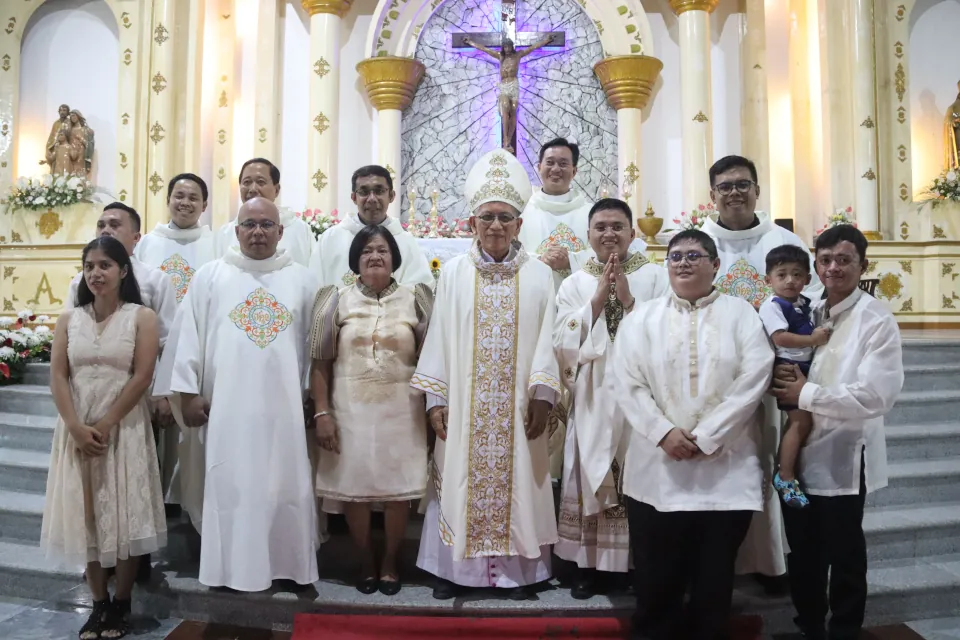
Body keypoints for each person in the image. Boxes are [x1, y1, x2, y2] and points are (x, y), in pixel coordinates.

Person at [411, 149, 562, 601]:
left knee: (521, 482)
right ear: (472, 223)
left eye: (506, 217)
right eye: (487, 217)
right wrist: (435, 400)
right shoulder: (455, 272)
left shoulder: (538, 275)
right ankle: (454, 572)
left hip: (519, 408)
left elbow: (549, 337)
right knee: (456, 478)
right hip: (465, 407)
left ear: (519, 225)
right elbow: (438, 335)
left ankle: (520, 575)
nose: (496, 225)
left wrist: (542, 396)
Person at [612, 229, 774, 640]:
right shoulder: (642, 318)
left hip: (724, 470)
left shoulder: (741, 314)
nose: (683, 262)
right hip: (657, 473)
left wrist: (708, 436)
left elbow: (754, 377)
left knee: (713, 584)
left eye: (694, 255)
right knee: (656, 583)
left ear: (715, 265)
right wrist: (662, 431)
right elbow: (626, 382)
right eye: (675, 256)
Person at [155, 197, 319, 591]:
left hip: (286, 413)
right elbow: (187, 338)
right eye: (250, 224)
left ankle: (288, 565)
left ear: (281, 232)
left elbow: (317, 345)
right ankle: (228, 568)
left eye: (267, 225)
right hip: (226, 410)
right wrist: (188, 394)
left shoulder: (304, 279)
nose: (258, 232)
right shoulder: (210, 276)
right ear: (236, 230)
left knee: (287, 484)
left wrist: (314, 393)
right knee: (232, 484)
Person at [772, 225, 903, 640]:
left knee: (844, 552)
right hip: (799, 450)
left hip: (846, 455)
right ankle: (808, 625)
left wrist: (804, 393)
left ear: (863, 264)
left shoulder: (875, 319)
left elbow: (875, 395)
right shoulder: (806, 308)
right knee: (803, 550)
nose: (833, 268)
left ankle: (845, 629)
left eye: (844, 260)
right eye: (825, 260)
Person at [700, 154, 819, 588]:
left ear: (757, 190)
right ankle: (716, 566)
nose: (734, 192)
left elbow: (812, 307)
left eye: (742, 184)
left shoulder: (784, 240)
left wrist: (797, 369)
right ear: (712, 194)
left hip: (773, 380)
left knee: (766, 460)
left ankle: (770, 561)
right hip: (714, 379)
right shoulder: (695, 241)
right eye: (725, 186)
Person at [41, 236, 166, 640]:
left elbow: (143, 376)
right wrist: (76, 426)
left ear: (123, 271)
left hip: (124, 428)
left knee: (125, 519)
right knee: (89, 519)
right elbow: (58, 375)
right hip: (77, 430)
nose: (96, 273)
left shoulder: (141, 317)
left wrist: (109, 422)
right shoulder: (68, 319)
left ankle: (122, 602)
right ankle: (98, 605)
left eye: (105, 265)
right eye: (90, 265)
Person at [310, 226, 434, 597]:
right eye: (366, 251)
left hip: (404, 411)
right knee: (354, 489)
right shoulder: (334, 299)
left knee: (399, 492)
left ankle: (390, 561)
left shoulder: (418, 298)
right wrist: (321, 413)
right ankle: (365, 560)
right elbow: (320, 362)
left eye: (382, 250)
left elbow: (434, 359)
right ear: (355, 261)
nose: (375, 256)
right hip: (349, 410)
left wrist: (434, 411)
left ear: (395, 258)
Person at [553, 198, 667, 599]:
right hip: (593, 392)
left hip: (641, 392)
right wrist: (598, 299)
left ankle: (633, 565)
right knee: (588, 471)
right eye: (600, 227)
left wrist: (630, 300)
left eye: (617, 226)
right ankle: (586, 565)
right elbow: (561, 339)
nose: (609, 234)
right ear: (588, 235)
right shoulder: (574, 282)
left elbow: (665, 329)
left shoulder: (656, 276)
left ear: (633, 233)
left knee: (636, 475)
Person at [135, 173, 215, 531]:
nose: (185, 203)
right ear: (168, 200)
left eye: (193, 197)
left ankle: (191, 505)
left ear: (204, 205)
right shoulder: (148, 244)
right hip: (155, 349)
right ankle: (156, 508)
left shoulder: (215, 244)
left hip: (201, 349)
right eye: (178, 195)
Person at [759, 245, 832, 508]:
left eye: (797, 275)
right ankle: (785, 476)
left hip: (803, 368)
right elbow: (780, 337)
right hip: (789, 368)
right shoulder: (772, 305)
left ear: (807, 279)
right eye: (782, 275)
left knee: (800, 422)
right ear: (769, 280)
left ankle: (789, 469)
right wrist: (812, 339)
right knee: (801, 423)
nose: (790, 280)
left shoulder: (802, 303)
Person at [67, 203, 177, 349]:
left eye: (114, 225)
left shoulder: (156, 280)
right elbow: (70, 331)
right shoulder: (80, 281)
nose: (105, 231)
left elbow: (167, 339)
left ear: (136, 237)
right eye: (101, 225)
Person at [310, 165, 433, 288]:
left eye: (379, 191)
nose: (372, 199)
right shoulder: (331, 239)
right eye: (364, 192)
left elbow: (422, 288)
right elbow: (315, 286)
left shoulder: (406, 241)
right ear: (354, 198)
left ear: (391, 196)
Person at [518, 138, 592, 289]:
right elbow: (510, 252)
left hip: (579, 298)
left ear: (574, 171)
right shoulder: (522, 212)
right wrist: (540, 259)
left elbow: (602, 254)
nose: (556, 169)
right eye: (550, 162)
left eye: (563, 164)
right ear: (539, 167)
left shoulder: (591, 212)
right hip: (535, 294)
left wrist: (571, 261)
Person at [213, 158, 314, 266]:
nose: (252, 189)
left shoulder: (300, 231)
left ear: (276, 190)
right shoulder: (225, 233)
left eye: (261, 182)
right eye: (246, 182)